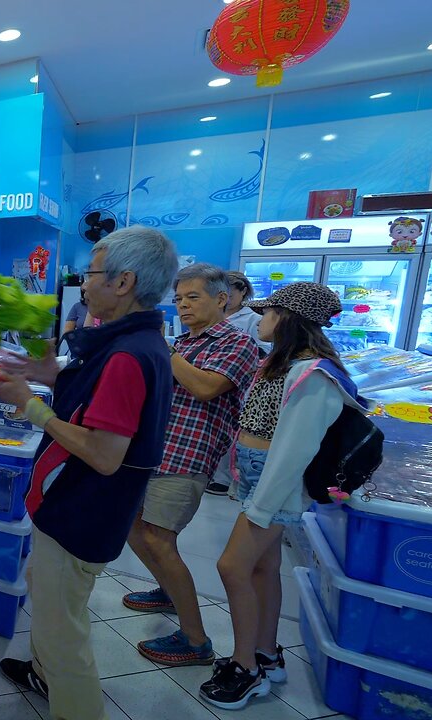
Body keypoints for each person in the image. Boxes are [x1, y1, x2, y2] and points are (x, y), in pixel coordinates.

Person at [0, 227, 177, 720]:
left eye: (90, 273)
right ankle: (40, 673)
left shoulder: (126, 356)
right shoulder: (135, 343)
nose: (82, 283)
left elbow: (103, 453)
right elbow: (92, 397)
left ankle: (70, 698)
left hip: (81, 512)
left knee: (63, 633)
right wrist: (41, 372)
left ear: (124, 282)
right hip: (79, 509)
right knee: (51, 600)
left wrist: (28, 405)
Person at [201, 283, 362, 711]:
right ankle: (267, 654)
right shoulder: (282, 363)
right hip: (261, 478)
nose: (260, 319)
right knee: (261, 568)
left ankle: (245, 668)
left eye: (268, 312)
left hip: (277, 487)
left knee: (232, 566)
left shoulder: (313, 375)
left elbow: (293, 452)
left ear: (289, 318)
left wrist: (262, 506)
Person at [122, 263, 258, 667]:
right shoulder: (184, 342)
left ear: (221, 299)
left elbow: (204, 387)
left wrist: (165, 350)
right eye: (178, 298)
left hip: (188, 456)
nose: (182, 305)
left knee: (160, 540)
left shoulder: (236, 343)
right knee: (132, 528)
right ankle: (166, 589)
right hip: (152, 451)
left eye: (192, 297)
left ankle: (196, 640)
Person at [206, 270, 270, 496]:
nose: (226, 298)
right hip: (212, 377)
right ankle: (213, 473)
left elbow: (264, 350)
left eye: (231, 292)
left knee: (234, 428)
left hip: (241, 382)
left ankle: (225, 479)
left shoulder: (252, 319)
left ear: (243, 292)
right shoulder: (214, 315)